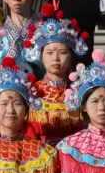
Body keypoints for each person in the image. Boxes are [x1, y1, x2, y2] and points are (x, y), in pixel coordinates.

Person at [24, 8, 89, 144]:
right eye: (49, 52)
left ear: (71, 56)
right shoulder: (32, 92)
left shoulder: (80, 92)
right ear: (41, 56)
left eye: (62, 52)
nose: (56, 58)